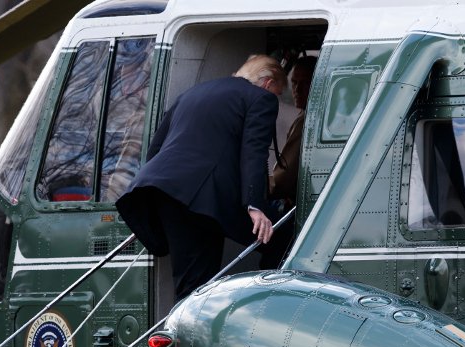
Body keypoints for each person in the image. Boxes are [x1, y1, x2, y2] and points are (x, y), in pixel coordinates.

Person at [116, 54, 287, 300]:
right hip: (201, 197)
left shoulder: (193, 93)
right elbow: (254, 152)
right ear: (268, 83)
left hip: (161, 190)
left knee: (190, 280)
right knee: (284, 235)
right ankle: (268, 302)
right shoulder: (260, 98)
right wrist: (255, 206)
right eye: (278, 93)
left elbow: (156, 148)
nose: (275, 98)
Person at [260, 55, 317, 269]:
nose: (298, 89)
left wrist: (253, 184)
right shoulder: (306, 117)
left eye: (305, 83)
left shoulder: (309, 121)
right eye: (294, 83)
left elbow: (283, 181)